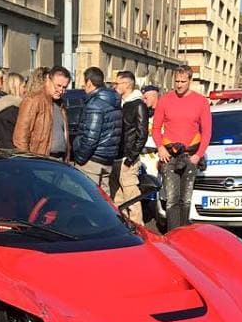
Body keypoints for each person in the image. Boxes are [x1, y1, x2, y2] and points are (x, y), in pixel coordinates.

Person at [152, 67, 212, 230]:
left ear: (190, 80)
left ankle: (184, 234)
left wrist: (198, 155)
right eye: (177, 81)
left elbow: (207, 131)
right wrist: (160, 148)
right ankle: (173, 235)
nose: (179, 85)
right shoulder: (165, 100)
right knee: (172, 200)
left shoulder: (201, 101)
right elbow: (156, 128)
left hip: (190, 155)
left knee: (185, 200)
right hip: (169, 156)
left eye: (183, 81)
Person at [72, 66, 122, 193]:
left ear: (89, 82)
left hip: (93, 160)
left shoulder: (95, 104)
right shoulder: (114, 102)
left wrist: (80, 158)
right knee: (104, 198)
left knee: (87, 197)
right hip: (107, 158)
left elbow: (90, 137)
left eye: (84, 83)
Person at [13, 65, 71, 160]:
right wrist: (28, 161)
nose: (61, 90)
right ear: (48, 79)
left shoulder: (61, 105)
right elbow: (20, 137)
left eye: (64, 87)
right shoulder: (33, 100)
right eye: (58, 85)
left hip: (59, 159)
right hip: (40, 160)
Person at [113, 71, 148, 225]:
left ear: (127, 85)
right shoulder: (120, 103)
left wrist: (131, 158)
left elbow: (142, 135)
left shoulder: (138, 105)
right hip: (116, 157)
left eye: (117, 83)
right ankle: (122, 227)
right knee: (117, 198)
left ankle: (138, 228)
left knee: (132, 197)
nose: (115, 87)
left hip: (128, 159)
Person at [0, 72, 26, 149]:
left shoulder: (2, 107)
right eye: (23, 86)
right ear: (16, 87)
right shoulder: (12, 111)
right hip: (13, 152)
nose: (25, 90)